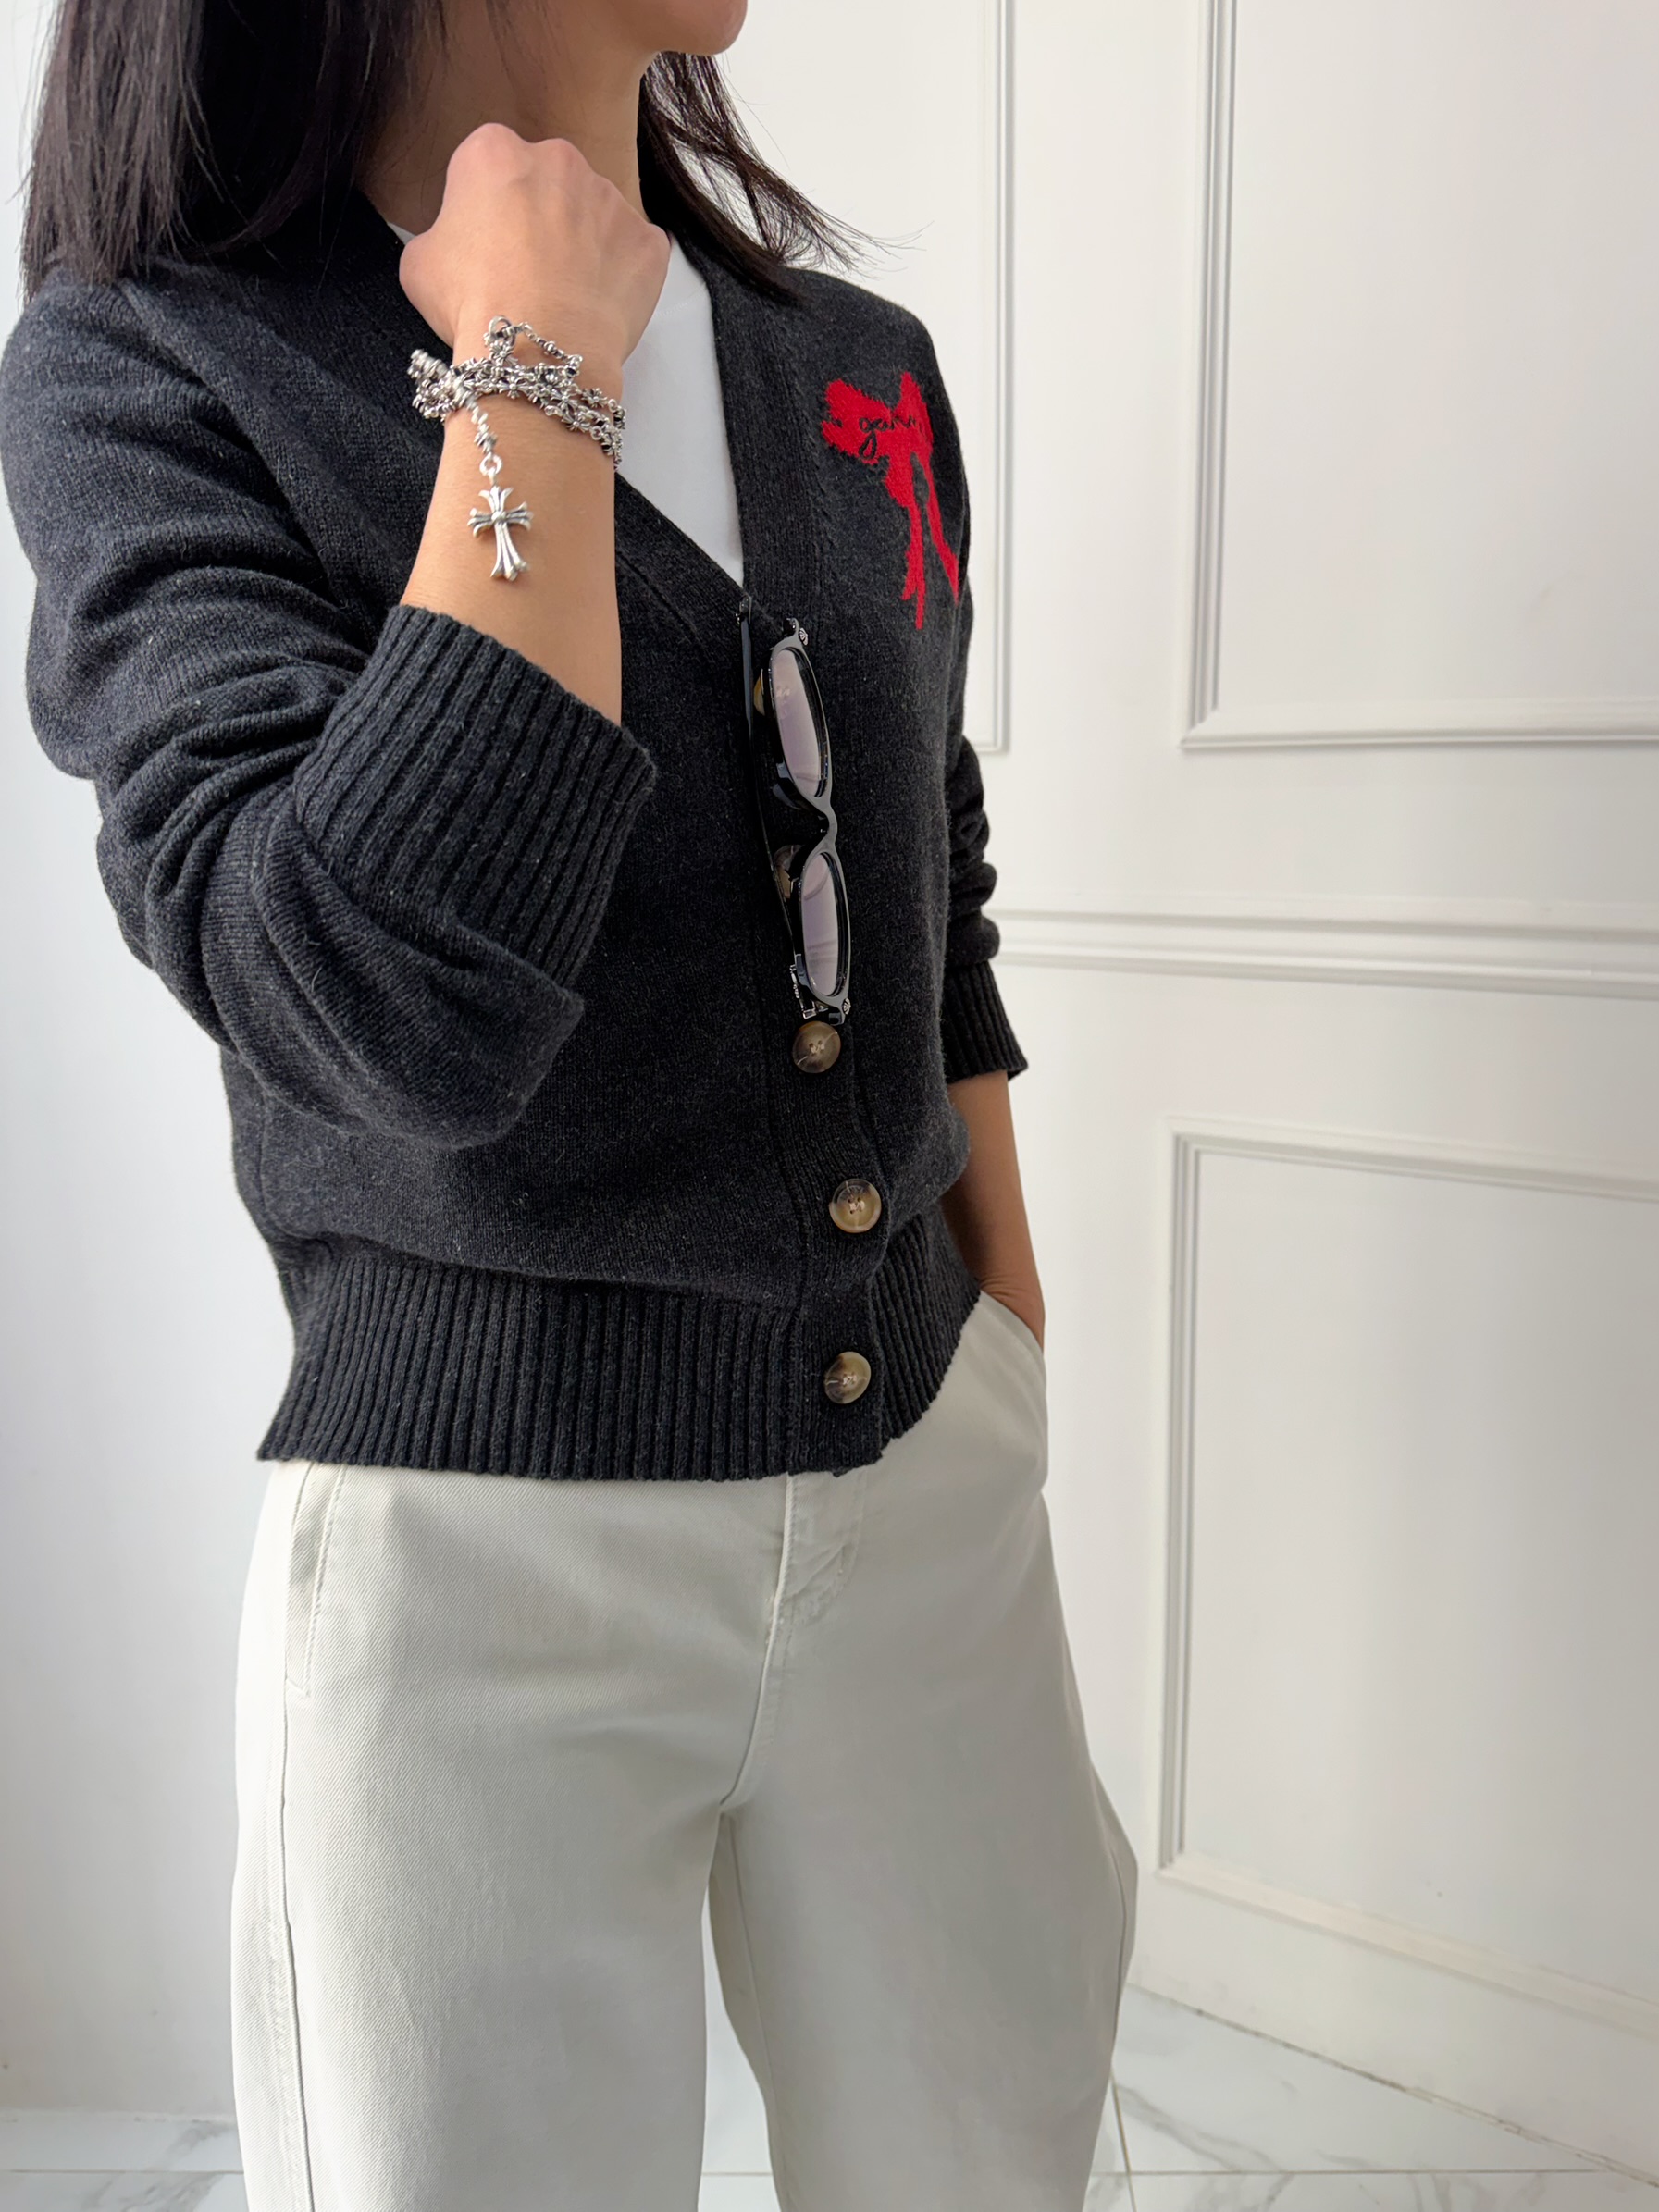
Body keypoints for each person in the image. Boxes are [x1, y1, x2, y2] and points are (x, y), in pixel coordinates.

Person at [1, 0, 1137, 2205]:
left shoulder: (856, 363)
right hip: (478, 1575)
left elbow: (931, 833)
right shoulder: (159, 370)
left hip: (929, 1489)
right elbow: (375, 998)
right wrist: (531, 377)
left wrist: (1003, 1322)